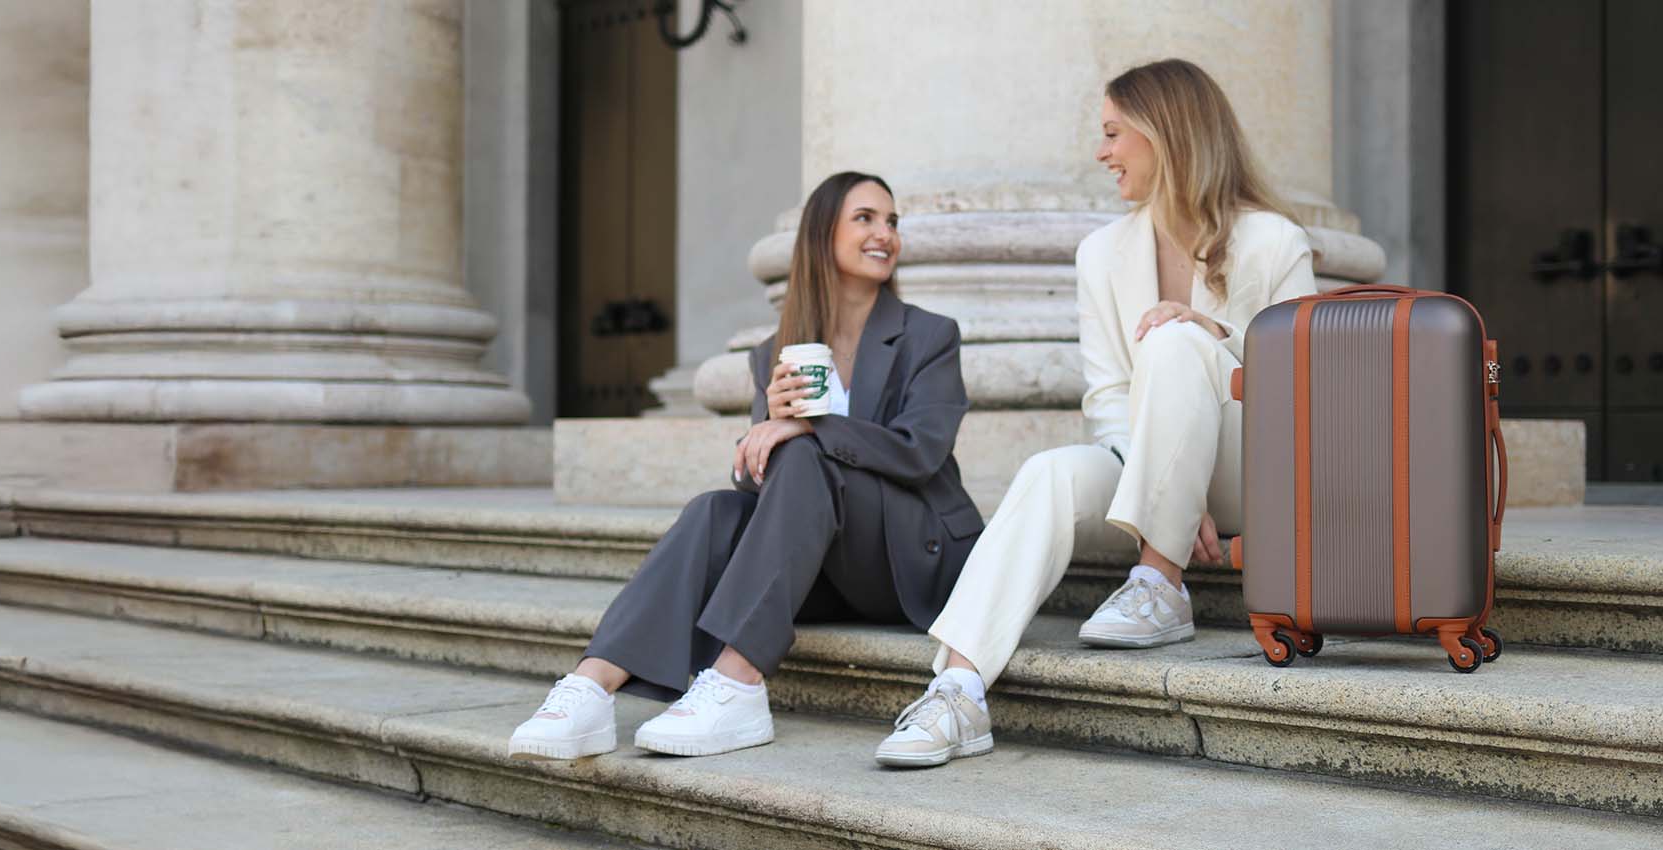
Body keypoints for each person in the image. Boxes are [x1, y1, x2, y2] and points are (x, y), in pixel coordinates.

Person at [873, 58, 1318, 768]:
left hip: (1249, 471)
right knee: (1048, 472)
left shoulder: (1274, 242)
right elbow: (1108, 396)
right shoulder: (1100, 253)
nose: (1101, 152)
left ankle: (1160, 584)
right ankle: (957, 690)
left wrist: (1205, 341)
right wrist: (1172, 478)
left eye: (1114, 134)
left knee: (1174, 335)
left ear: (1165, 133)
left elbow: (1304, 396)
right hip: (1144, 470)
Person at [510, 171, 982, 760]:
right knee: (715, 508)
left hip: (914, 554)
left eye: (891, 222)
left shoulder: (929, 336)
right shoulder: (776, 352)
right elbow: (760, 479)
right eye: (865, 218)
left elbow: (921, 451)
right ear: (822, 235)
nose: (884, 233)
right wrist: (767, 436)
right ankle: (591, 686)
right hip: (827, 568)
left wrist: (812, 426)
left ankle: (736, 680)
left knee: (806, 452)